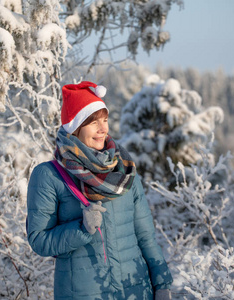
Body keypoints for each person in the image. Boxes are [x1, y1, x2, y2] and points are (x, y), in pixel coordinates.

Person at [27, 81, 173, 299]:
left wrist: (162, 283)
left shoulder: (124, 170)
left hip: (135, 289)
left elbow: (145, 236)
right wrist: (81, 229)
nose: (103, 129)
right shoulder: (49, 175)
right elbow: (39, 239)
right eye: (93, 122)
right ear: (75, 128)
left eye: (104, 120)